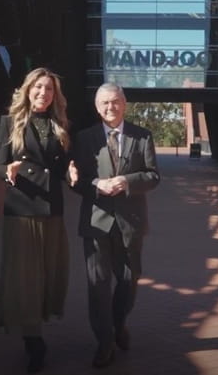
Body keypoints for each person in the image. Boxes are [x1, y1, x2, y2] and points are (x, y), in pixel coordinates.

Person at [0, 68, 78, 373]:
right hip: (22, 209)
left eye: (49, 89)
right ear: (28, 90)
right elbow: (0, 164)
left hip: (51, 208)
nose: (44, 93)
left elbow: (62, 166)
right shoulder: (10, 122)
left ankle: (37, 324)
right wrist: (8, 172)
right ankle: (33, 341)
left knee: (48, 273)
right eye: (39, 87)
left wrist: (70, 173)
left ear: (55, 95)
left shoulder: (60, 125)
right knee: (26, 277)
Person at [71, 82, 161, 368]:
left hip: (130, 222)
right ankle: (105, 341)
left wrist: (127, 181)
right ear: (97, 107)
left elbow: (153, 176)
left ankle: (118, 322)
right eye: (105, 103)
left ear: (124, 104)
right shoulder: (84, 138)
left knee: (128, 281)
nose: (110, 107)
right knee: (97, 284)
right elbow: (76, 181)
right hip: (96, 222)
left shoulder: (142, 136)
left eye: (115, 102)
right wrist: (97, 184)